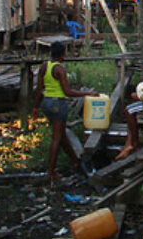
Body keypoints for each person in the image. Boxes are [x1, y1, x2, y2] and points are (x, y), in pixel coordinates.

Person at [32, 42, 98, 183]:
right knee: (57, 137)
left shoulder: (45, 66)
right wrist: (87, 93)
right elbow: (67, 91)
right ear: (63, 54)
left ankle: (75, 161)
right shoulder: (60, 69)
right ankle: (51, 171)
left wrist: (35, 107)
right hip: (58, 104)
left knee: (61, 135)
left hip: (46, 103)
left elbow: (39, 89)